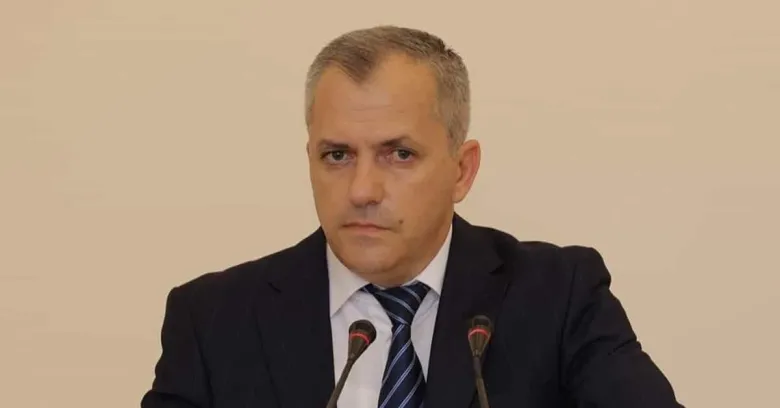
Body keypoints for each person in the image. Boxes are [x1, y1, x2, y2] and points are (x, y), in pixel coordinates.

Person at [141, 25, 683, 408]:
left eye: (399, 154)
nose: (362, 190)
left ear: (462, 170)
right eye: (337, 155)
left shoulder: (559, 297)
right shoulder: (213, 320)